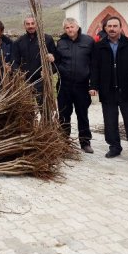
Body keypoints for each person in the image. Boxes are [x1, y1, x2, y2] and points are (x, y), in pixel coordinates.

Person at [90, 16, 128, 158]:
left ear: (121, 28)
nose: (112, 29)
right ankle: (114, 147)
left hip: (127, 89)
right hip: (107, 90)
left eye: (115, 26)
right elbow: (95, 68)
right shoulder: (99, 46)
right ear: (105, 28)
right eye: (109, 26)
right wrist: (93, 86)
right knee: (110, 121)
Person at [55, 18, 94, 153]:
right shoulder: (60, 43)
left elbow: (94, 64)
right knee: (64, 114)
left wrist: (93, 84)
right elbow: (56, 62)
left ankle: (85, 142)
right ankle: (64, 141)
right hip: (64, 85)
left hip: (82, 85)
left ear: (77, 27)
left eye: (72, 27)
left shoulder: (88, 41)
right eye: (67, 27)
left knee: (82, 114)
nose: (70, 30)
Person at [11, 16, 57, 103]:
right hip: (26, 82)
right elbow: (14, 62)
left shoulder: (47, 39)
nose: (30, 26)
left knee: (44, 109)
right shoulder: (18, 42)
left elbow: (56, 60)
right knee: (27, 111)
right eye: (27, 24)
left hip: (43, 81)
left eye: (33, 23)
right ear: (24, 26)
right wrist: (20, 75)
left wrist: (49, 72)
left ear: (37, 24)